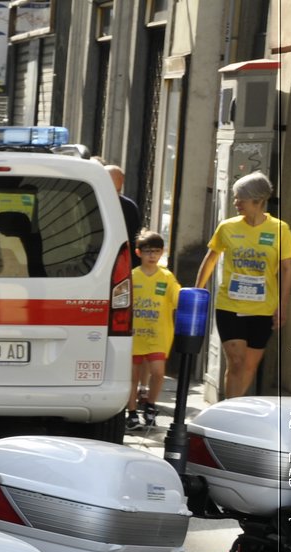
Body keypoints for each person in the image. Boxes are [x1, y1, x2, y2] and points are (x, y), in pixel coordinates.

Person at [196, 171, 291, 399]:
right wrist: (198, 289)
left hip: (262, 308)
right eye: (235, 197)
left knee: (249, 366)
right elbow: (211, 258)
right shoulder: (227, 227)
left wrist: (283, 305)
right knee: (236, 360)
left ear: (258, 200)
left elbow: (287, 269)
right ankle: (227, 412)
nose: (236, 203)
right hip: (229, 305)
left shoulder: (280, 230)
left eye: (240, 198)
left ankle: (234, 406)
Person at [127, 230, 180, 431]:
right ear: (138, 252)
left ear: (162, 252)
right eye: (148, 251)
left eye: (156, 251)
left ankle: (150, 405)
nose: (152, 256)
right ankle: (131, 414)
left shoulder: (166, 277)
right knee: (132, 377)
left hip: (158, 334)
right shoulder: (132, 276)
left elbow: (177, 298)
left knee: (158, 373)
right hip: (134, 335)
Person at [103, 162, 143, 269]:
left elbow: (134, 240)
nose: (113, 195)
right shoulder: (87, 202)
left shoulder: (129, 207)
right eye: (110, 190)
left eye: (118, 191)